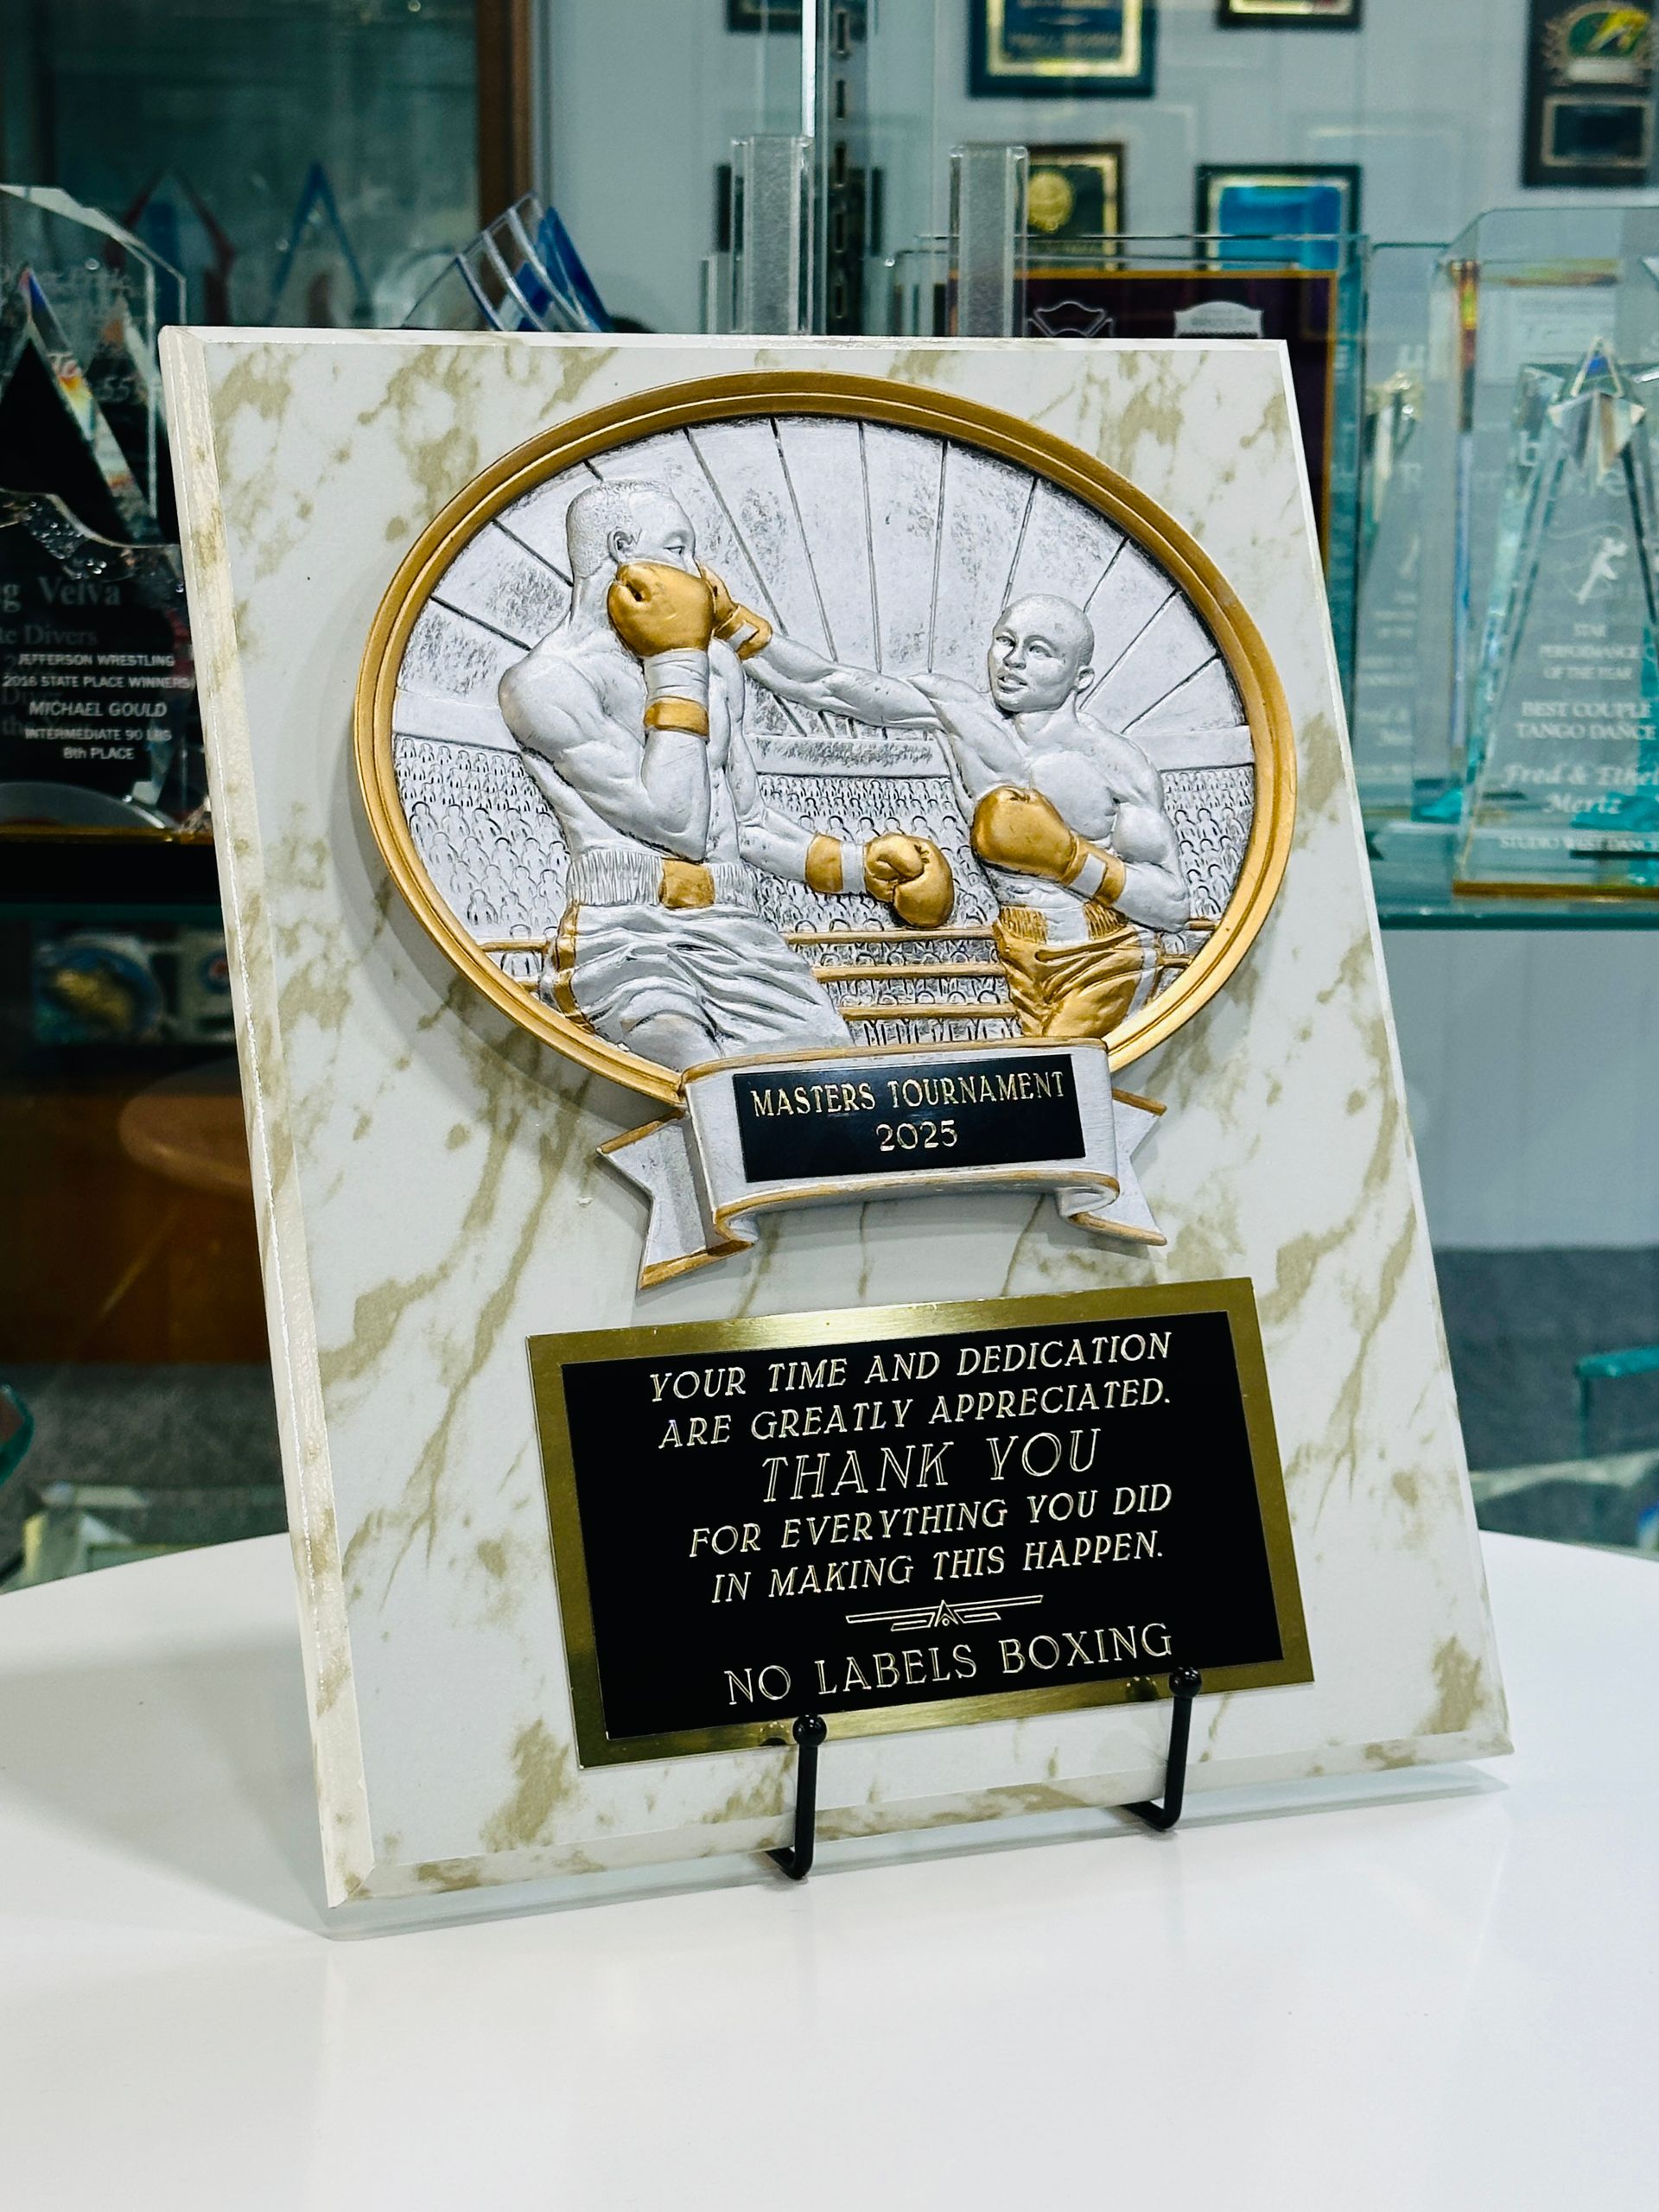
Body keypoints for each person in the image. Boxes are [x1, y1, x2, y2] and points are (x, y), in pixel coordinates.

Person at [497, 480, 954, 1071]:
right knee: (689, 1056)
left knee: (833, 1079)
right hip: (627, 941)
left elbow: (747, 825)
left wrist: (859, 868)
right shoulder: (544, 683)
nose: (701, 572)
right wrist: (676, 660)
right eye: (680, 547)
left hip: (740, 935)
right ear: (622, 553)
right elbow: (676, 822)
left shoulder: (711, 663)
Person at [715, 588, 1190, 1039]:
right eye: (1005, 642)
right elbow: (827, 684)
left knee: (1047, 1080)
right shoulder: (962, 716)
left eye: (1039, 651)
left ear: (1080, 678)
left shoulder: (1115, 763)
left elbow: (1172, 905)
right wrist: (733, 622)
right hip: (1020, 953)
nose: (1014, 660)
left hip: (1107, 957)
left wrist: (1070, 859)